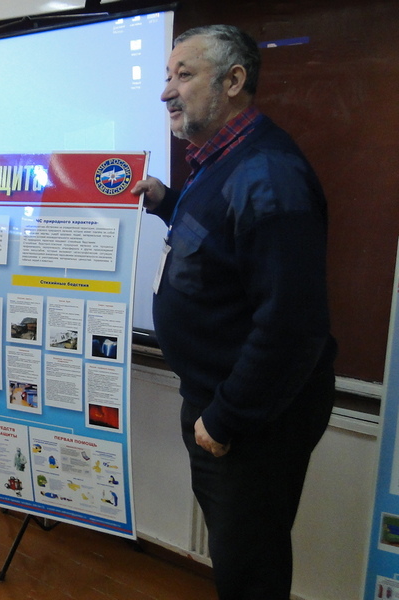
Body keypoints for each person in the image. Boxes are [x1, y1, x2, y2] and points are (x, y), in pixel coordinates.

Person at [131, 25, 337, 599]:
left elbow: (293, 324)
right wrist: (167, 202)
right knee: (237, 553)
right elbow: (222, 247)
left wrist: (226, 418)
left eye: (184, 75)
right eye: (167, 76)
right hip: (218, 402)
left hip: (250, 419)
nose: (166, 92)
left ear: (233, 80)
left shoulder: (268, 174)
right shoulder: (222, 158)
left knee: (250, 569)